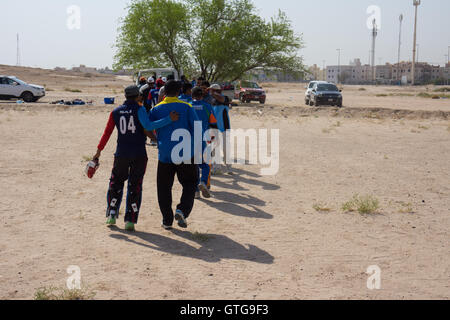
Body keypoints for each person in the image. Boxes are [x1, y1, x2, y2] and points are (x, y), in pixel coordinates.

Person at [93, 85, 179, 231]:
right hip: (139, 154)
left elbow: (107, 133)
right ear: (137, 96)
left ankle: (112, 214)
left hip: (121, 154)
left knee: (116, 183)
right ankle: (130, 220)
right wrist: (168, 119)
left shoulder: (116, 111)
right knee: (135, 185)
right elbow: (148, 125)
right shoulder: (140, 109)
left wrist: (98, 152)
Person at [149, 80, 200, 230]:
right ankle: (182, 210)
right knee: (190, 184)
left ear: (164, 92)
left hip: (165, 155)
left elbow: (148, 127)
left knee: (164, 187)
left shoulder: (156, 109)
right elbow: (197, 128)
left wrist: (157, 139)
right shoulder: (187, 107)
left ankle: (167, 220)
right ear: (179, 92)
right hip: (186, 154)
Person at [191, 87, 218, 199]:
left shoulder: (188, 106)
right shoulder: (207, 107)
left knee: (194, 166)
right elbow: (213, 124)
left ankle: (196, 191)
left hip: (189, 139)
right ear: (202, 96)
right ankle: (203, 181)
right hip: (203, 138)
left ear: (192, 95)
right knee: (205, 164)